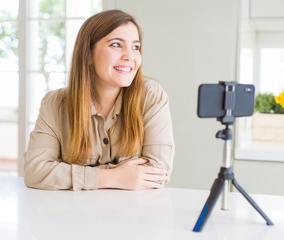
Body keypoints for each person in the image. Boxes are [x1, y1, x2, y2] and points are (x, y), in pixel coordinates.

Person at [24, 9, 174, 191]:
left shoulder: (151, 95)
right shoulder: (55, 103)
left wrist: (75, 176)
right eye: (116, 45)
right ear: (87, 55)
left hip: (134, 216)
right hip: (73, 215)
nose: (130, 56)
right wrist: (113, 177)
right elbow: (35, 172)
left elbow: (157, 173)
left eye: (136, 47)